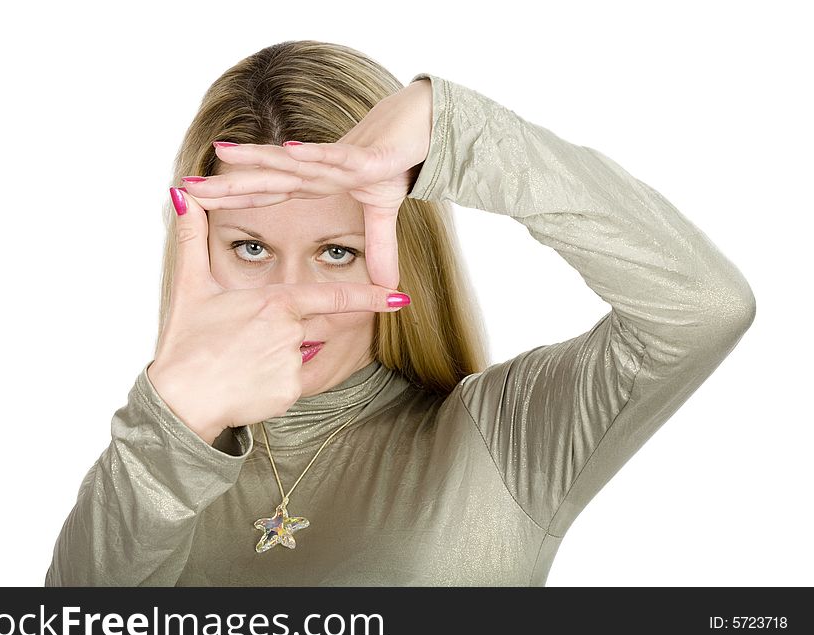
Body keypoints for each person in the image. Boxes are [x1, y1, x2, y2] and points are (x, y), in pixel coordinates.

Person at [45, 40, 755, 586]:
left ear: (399, 251)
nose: (289, 300)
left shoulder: (504, 440)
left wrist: (459, 134)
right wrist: (168, 424)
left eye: (337, 252)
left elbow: (703, 307)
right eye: (252, 246)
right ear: (195, 247)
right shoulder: (153, 470)